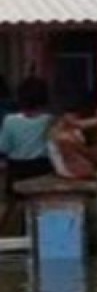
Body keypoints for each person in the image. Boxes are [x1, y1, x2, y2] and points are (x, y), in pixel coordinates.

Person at [0, 77, 53, 234]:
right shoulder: (49, 120)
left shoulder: (10, 121)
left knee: (10, 205)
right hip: (42, 172)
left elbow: (4, 147)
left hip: (17, 173)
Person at [48, 100, 97, 181]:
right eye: (72, 116)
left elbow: (85, 124)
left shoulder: (72, 127)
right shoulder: (62, 136)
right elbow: (87, 153)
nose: (75, 118)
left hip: (81, 158)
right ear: (64, 117)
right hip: (70, 169)